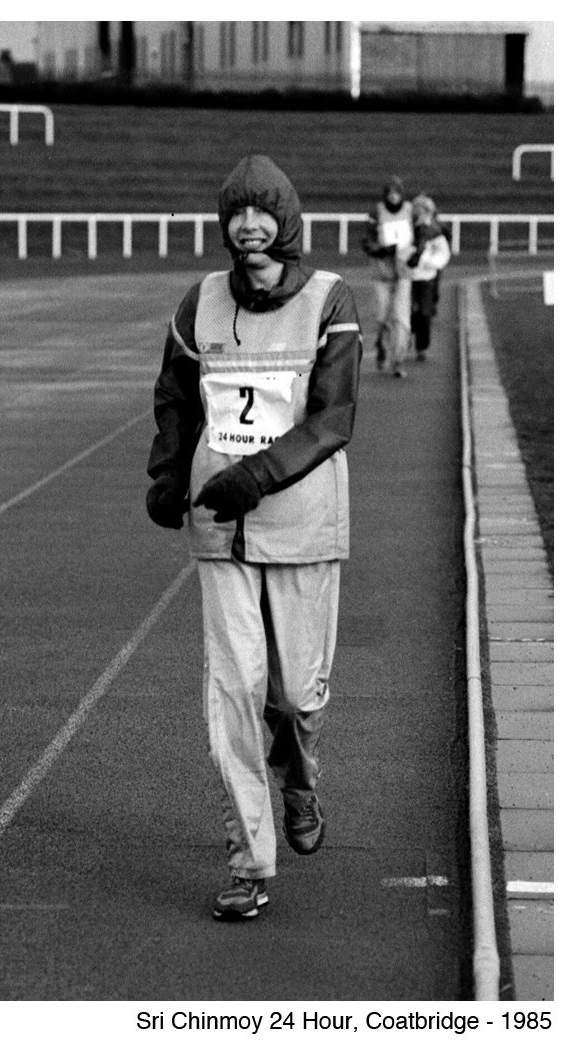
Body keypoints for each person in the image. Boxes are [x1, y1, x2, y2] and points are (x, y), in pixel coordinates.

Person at [145, 155, 362, 921]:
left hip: (302, 527)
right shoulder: (198, 302)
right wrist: (167, 473)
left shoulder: (331, 300)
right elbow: (177, 394)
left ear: (287, 220)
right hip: (218, 531)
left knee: (295, 695)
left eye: (261, 213)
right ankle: (250, 862)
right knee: (233, 696)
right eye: (236, 213)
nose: (247, 226)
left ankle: (299, 781)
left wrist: (258, 476)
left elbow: (332, 419)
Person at [361, 176, 414, 378]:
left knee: (401, 318)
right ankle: (382, 345)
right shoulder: (376, 213)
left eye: (397, 192)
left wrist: (417, 254)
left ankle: (398, 360)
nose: (393, 196)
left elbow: (424, 233)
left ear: (402, 194)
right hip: (381, 273)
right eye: (390, 193)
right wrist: (382, 250)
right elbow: (366, 242)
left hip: (403, 273)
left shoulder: (410, 211)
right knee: (382, 316)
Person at [407, 194, 452, 361]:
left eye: (423, 209)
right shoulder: (408, 228)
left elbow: (443, 251)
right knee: (408, 312)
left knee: (425, 312)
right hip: (408, 276)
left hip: (427, 276)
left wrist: (431, 263)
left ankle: (421, 346)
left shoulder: (436, 229)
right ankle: (404, 341)